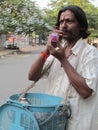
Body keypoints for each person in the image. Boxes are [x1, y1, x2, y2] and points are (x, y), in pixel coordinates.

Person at [28, 5, 98, 130]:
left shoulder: (90, 52)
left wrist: (63, 59)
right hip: (52, 123)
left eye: (69, 21)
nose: (64, 25)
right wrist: (47, 49)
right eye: (61, 22)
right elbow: (32, 76)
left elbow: (86, 91)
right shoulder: (58, 50)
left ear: (81, 26)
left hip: (76, 125)